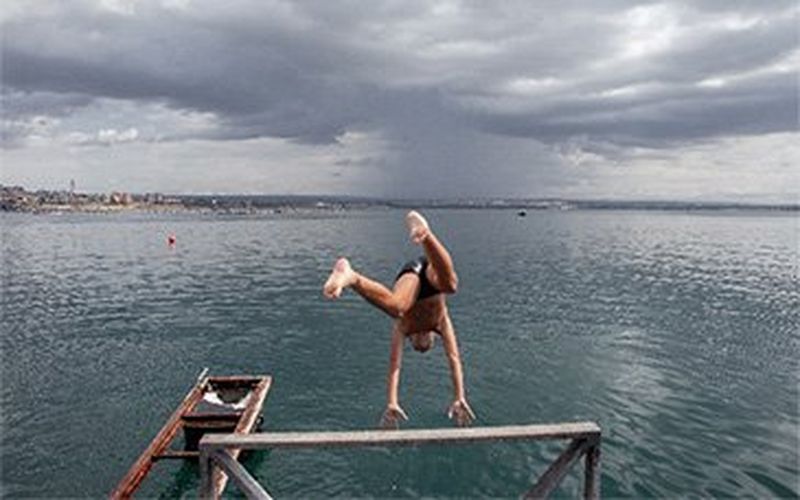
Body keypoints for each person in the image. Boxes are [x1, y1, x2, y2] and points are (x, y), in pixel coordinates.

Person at [323, 210, 476, 429]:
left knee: (398, 308)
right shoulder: (441, 323)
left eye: (417, 348)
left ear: (412, 340)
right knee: (450, 285)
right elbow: (454, 358)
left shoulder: (403, 327)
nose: (421, 346)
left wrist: (392, 402)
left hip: (412, 281)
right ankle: (425, 234)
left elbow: (395, 366)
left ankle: (351, 277)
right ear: (432, 338)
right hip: (430, 278)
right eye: (426, 347)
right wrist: (459, 396)